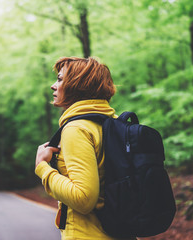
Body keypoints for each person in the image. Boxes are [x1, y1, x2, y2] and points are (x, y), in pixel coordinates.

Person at [35, 57, 135, 240]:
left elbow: (83, 198)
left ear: (77, 85)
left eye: (59, 79)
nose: (52, 85)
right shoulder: (112, 124)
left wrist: (42, 167)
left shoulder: (77, 128)